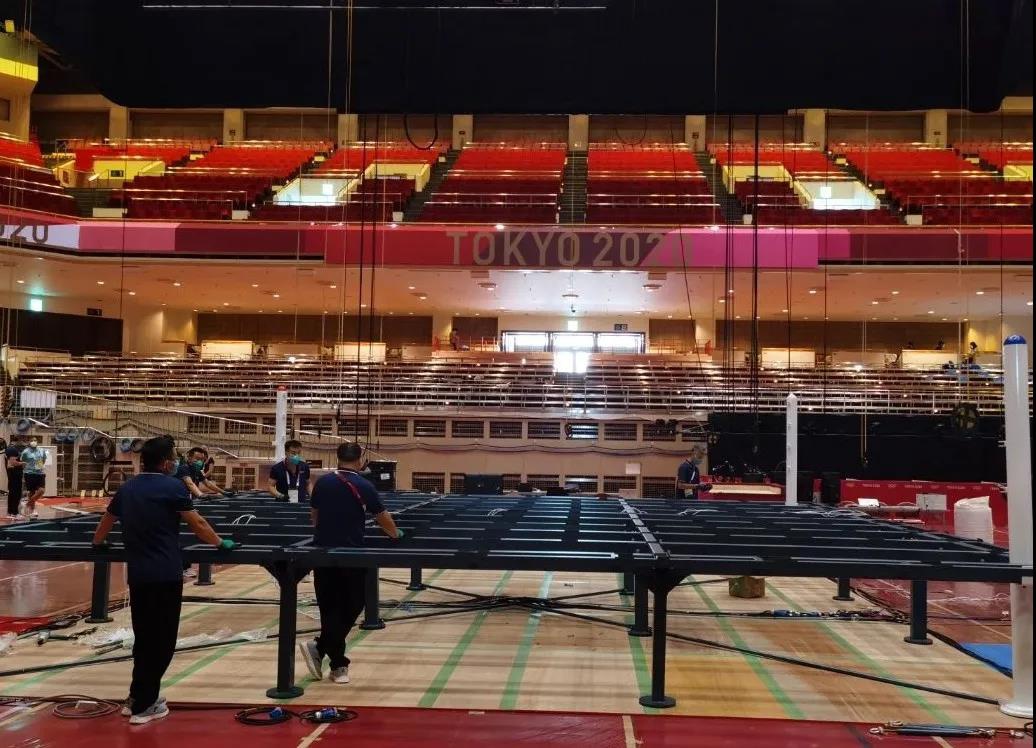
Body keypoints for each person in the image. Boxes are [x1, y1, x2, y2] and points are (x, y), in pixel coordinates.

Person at [92, 435, 238, 725]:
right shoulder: (172, 487)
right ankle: (145, 705)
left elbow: (106, 520)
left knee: (144, 638)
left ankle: (136, 696)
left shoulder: (128, 488)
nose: (175, 462)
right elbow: (197, 524)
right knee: (162, 641)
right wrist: (220, 543)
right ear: (164, 462)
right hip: (165, 574)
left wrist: (98, 543)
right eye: (173, 458)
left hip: (139, 576)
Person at [298, 442, 402, 685]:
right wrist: (395, 534)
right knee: (355, 603)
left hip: (322, 553)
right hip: (352, 554)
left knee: (329, 608)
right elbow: (381, 516)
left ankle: (331, 658)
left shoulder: (323, 483)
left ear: (338, 457)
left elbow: (314, 516)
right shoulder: (364, 485)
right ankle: (335, 663)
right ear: (360, 460)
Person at [20, 439, 47, 519]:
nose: (34, 441)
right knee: (31, 492)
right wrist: (26, 471)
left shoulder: (42, 450)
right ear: (29, 442)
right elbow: (23, 462)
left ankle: (27, 504)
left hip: (40, 473)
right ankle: (32, 510)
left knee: (41, 490)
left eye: (35, 440)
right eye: (32, 440)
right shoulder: (25, 451)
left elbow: (43, 460)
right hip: (29, 473)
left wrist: (39, 467)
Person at [5, 436, 25, 518]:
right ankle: (14, 513)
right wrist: (23, 463)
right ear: (19, 440)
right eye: (22, 440)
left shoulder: (10, 449)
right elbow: (13, 462)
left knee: (12, 493)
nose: (23, 443)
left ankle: (10, 512)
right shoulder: (12, 449)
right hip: (14, 473)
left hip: (13, 473)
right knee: (16, 493)